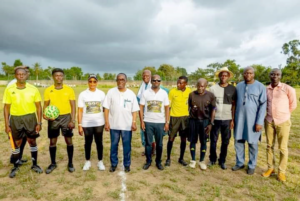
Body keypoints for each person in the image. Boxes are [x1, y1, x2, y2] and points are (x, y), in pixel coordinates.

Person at [3, 66, 43, 178]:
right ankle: (16, 166)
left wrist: (39, 122)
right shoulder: (9, 89)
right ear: (15, 76)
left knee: (32, 141)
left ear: (26, 75)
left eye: (23, 74)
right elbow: (6, 108)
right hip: (15, 118)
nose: (21, 75)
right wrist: (6, 124)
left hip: (30, 118)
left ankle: (35, 164)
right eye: (18, 74)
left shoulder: (33, 89)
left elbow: (39, 107)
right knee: (17, 143)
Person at [262, 68, 297, 182]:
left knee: (282, 148)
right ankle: (270, 168)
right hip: (269, 121)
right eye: (272, 74)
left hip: (283, 121)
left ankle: (281, 172)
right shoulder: (266, 89)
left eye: (277, 74)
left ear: (280, 76)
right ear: (269, 76)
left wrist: (283, 115)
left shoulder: (288, 89)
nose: (275, 76)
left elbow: (293, 105)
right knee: (269, 146)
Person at [232, 66, 267, 175]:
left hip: (253, 121)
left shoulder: (260, 87)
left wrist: (259, 122)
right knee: (238, 141)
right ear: (243, 74)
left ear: (254, 75)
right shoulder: (238, 86)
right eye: (246, 73)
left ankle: (252, 165)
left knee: (252, 143)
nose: (248, 75)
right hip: (239, 119)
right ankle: (239, 162)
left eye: (250, 73)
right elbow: (234, 103)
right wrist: (233, 119)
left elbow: (263, 105)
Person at [103, 73, 139, 173]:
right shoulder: (111, 92)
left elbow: (134, 110)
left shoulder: (131, 94)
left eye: (123, 79)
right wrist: (106, 122)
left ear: (126, 81)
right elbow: (106, 108)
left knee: (127, 146)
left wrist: (134, 122)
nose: (120, 81)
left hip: (127, 125)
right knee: (114, 145)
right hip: (114, 125)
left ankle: (127, 164)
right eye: (119, 79)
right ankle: (113, 164)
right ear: (116, 81)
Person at [43, 68, 76, 174]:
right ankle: (53, 163)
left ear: (63, 77)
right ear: (53, 77)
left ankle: (70, 163)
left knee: (68, 140)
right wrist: (45, 114)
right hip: (54, 118)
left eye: (61, 75)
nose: (59, 77)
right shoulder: (48, 90)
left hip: (66, 117)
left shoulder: (69, 90)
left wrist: (72, 120)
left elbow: (73, 106)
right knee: (52, 141)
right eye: (56, 75)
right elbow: (46, 105)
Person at [208, 67, 236, 170]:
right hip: (215, 119)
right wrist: (210, 120)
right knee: (213, 140)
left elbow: (234, 105)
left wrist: (232, 120)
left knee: (225, 141)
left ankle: (222, 160)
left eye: (225, 75)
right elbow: (210, 105)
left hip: (227, 119)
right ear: (219, 76)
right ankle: (212, 159)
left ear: (228, 77)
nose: (223, 77)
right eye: (222, 75)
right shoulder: (213, 88)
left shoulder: (233, 89)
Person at [140, 75, 169, 170]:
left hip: (160, 122)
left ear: (160, 81)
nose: (156, 81)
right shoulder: (145, 93)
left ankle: (158, 162)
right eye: (154, 80)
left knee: (159, 144)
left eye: (158, 80)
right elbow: (141, 107)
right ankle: (148, 161)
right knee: (148, 143)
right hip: (148, 122)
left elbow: (167, 108)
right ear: (151, 81)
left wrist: (166, 122)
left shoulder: (164, 93)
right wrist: (142, 121)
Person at [78, 75, 106, 171]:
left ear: (97, 82)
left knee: (99, 142)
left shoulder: (101, 94)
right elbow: (80, 110)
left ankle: (100, 161)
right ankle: (87, 161)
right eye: (90, 81)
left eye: (94, 81)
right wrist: (80, 124)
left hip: (99, 122)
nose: (92, 83)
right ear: (88, 82)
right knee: (88, 142)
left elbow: (105, 108)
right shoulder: (83, 94)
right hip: (87, 122)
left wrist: (107, 121)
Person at [188, 78, 216, 170]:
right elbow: (189, 108)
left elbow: (213, 110)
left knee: (203, 141)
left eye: (203, 86)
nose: (200, 88)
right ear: (196, 85)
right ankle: (193, 160)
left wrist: (211, 123)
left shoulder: (211, 95)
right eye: (199, 86)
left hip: (205, 121)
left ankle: (202, 161)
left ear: (206, 86)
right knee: (193, 141)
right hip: (193, 121)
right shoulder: (191, 95)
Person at [165, 76, 191, 167]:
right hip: (174, 118)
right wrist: (167, 121)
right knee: (171, 138)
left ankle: (181, 158)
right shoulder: (172, 92)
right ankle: (168, 158)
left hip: (185, 118)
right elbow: (168, 107)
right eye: (178, 82)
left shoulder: (189, 92)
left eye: (181, 83)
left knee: (183, 139)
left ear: (186, 84)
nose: (178, 84)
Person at [8, 66, 30, 165]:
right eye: (26, 71)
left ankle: (18, 158)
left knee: (24, 138)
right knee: (16, 140)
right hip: (15, 116)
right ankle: (14, 159)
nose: (27, 73)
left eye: (28, 72)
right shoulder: (13, 83)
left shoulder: (26, 84)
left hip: (24, 117)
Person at [137, 70, 155, 155]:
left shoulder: (154, 85)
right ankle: (146, 149)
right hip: (143, 113)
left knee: (152, 133)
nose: (145, 77)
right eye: (144, 76)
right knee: (144, 131)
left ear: (150, 76)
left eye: (147, 76)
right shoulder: (142, 86)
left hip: (152, 114)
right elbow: (138, 99)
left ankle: (153, 150)